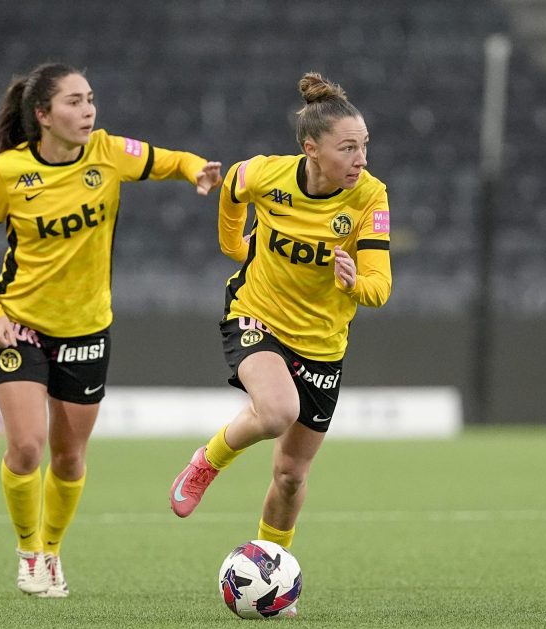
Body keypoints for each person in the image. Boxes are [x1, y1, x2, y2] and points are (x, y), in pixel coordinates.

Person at [0, 63, 222, 598]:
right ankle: (29, 552)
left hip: (87, 330)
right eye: (74, 102)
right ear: (43, 115)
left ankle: (53, 550)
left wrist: (197, 170)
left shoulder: (109, 153)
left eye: (90, 99)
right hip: (21, 327)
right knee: (26, 448)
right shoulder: (8, 172)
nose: (88, 111)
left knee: (69, 456)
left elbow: (171, 160)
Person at [168, 73, 392, 557]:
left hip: (323, 344)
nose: (361, 159)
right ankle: (208, 461)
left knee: (290, 476)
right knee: (277, 411)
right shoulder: (267, 174)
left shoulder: (370, 196)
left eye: (364, 146)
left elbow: (380, 287)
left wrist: (355, 283)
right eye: (348, 148)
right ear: (311, 149)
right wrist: (234, 246)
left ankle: (271, 565)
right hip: (257, 315)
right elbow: (233, 186)